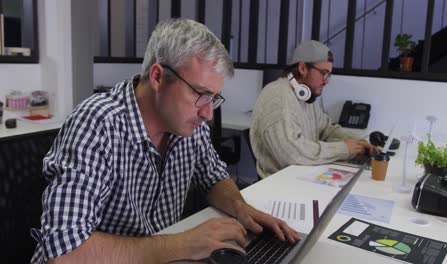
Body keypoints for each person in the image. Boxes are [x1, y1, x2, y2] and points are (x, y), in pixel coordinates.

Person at [30, 18, 299, 264]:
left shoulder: (187, 127)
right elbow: (64, 253)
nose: (207, 114)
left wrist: (242, 209)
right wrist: (184, 243)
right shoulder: (97, 124)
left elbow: (213, 177)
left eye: (213, 98)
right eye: (200, 94)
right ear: (158, 77)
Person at [250, 40, 378, 178]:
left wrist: (358, 142)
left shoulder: (306, 96)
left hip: (303, 177)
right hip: (280, 186)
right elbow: (292, 155)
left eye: (329, 75)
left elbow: (326, 129)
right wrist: (343, 149)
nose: (326, 80)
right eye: (324, 73)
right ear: (303, 68)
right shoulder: (277, 96)